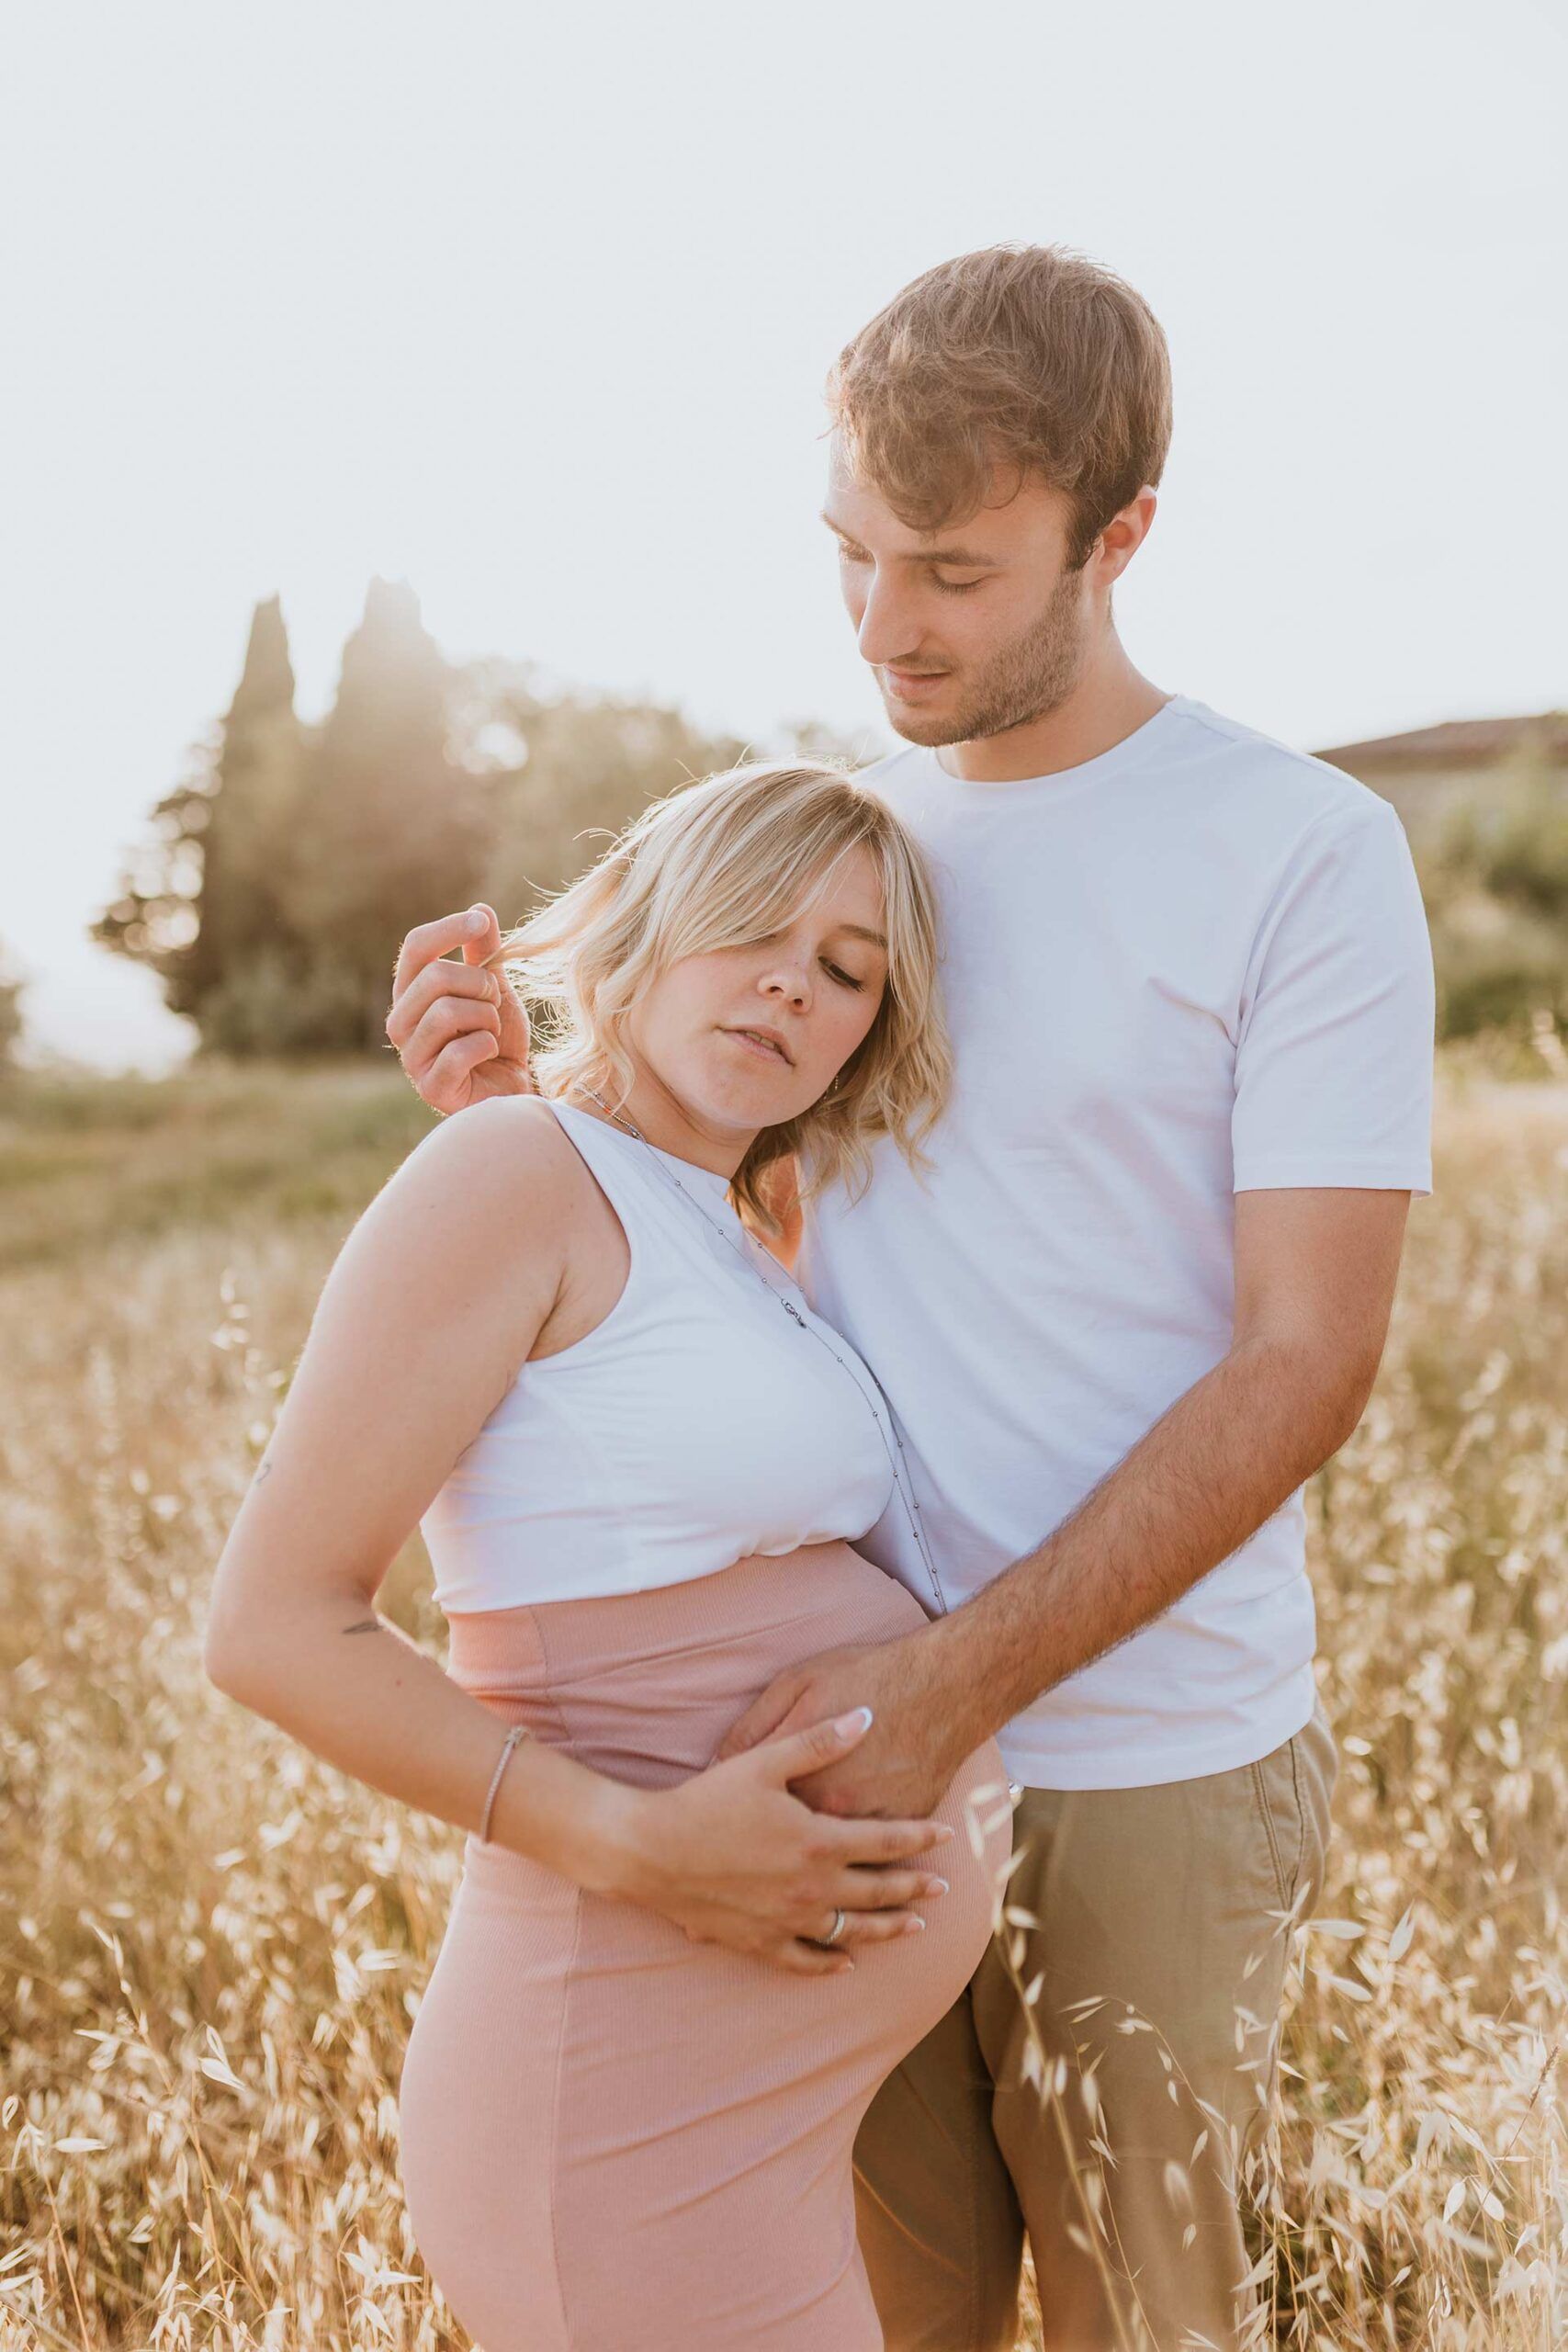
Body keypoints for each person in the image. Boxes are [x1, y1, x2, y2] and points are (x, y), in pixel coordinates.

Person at [387, 244, 1436, 2351]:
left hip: (1141, 1751)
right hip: (804, 1772)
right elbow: (738, 1241)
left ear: (1116, 533)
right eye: (851, 556)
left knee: (1148, 2315)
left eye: (948, 570)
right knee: (881, 2315)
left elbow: (1305, 1354)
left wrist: (950, 1689)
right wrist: (537, 1115)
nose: (883, 625)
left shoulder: (1294, 850)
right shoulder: (843, 855)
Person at [203, 759, 1014, 2352]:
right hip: (626, 2104)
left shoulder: (728, 1225)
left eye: (849, 970)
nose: (794, 977)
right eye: (750, 927)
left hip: (756, 2100)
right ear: (635, 932)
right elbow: (270, 1628)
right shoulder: (510, 1177)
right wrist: (644, 1848)